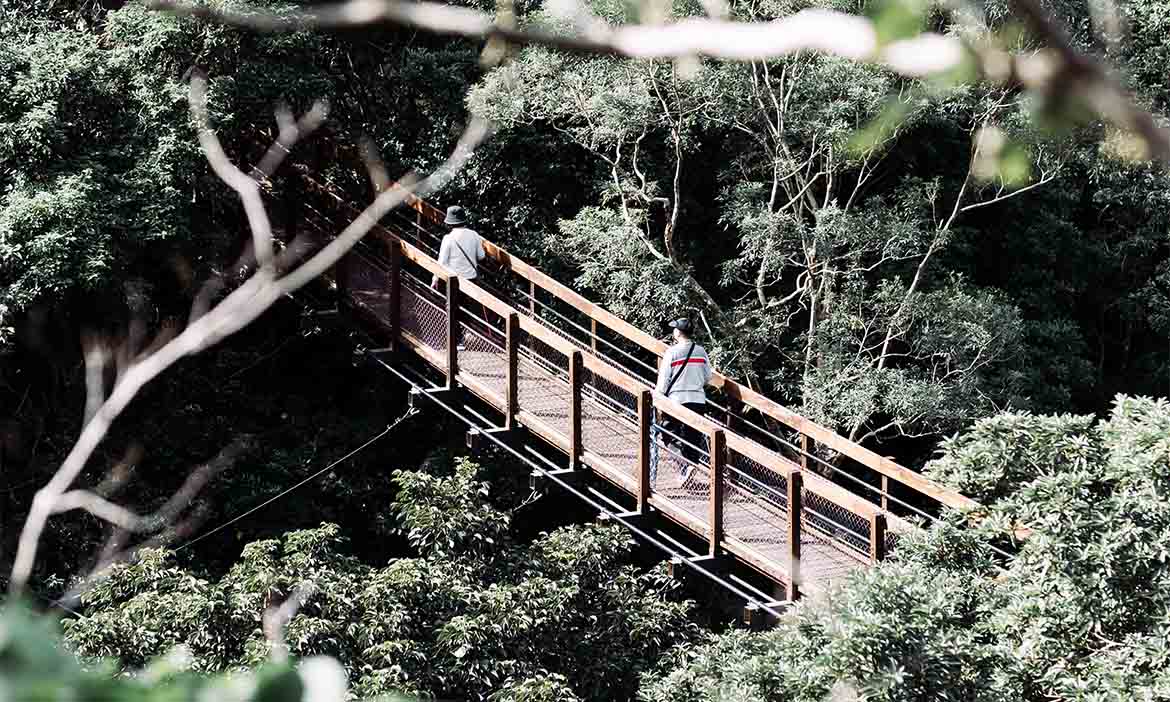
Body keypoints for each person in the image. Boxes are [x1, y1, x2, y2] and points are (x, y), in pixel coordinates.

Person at [653, 317, 713, 485]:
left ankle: (684, 466)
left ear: (678, 332)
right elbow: (708, 377)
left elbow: (664, 379)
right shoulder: (701, 351)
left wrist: (658, 397)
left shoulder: (672, 352)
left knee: (667, 433)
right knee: (693, 437)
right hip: (698, 399)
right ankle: (690, 467)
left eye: (674, 329)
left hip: (677, 400)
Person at [431, 205, 486, 350]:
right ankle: (465, 337)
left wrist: (435, 279)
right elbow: (481, 256)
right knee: (465, 308)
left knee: (453, 309)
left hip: (453, 281)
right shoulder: (474, 235)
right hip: (471, 279)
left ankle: (457, 341)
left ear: (449, 222)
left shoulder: (448, 238)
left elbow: (441, 262)